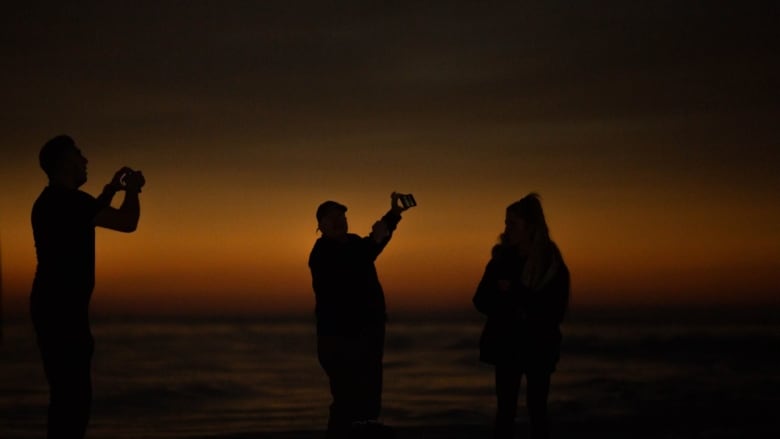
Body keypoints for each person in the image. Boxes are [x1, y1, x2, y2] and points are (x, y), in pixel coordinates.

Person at [30, 135, 145, 439]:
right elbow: (127, 221)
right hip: (62, 313)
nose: (85, 160)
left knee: (66, 398)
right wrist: (131, 191)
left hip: (54, 309)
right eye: (79, 154)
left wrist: (111, 189)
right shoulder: (66, 202)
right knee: (73, 402)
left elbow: (89, 212)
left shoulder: (53, 203)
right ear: (64, 162)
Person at [308, 193, 412, 439]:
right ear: (320, 226)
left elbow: (373, 245)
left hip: (368, 332)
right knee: (347, 401)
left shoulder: (354, 244)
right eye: (331, 218)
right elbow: (354, 261)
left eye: (342, 216)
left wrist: (394, 214)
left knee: (369, 398)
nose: (339, 221)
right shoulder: (322, 253)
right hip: (339, 339)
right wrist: (374, 239)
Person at [473, 193, 570, 439]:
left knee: (538, 410)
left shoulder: (551, 265)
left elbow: (554, 310)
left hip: (539, 346)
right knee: (505, 411)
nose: (506, 229)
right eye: (506, 223)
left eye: (512, 223)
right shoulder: (501, 260)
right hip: (507, 345)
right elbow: (480, 300)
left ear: (530, 227)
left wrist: (515, 293)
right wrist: (506, 299)